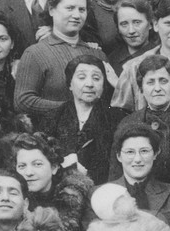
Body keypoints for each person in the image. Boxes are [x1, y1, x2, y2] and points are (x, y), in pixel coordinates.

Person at [12, 0, 108, 123]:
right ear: (51, 9)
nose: (76, 15)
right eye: (69, 8)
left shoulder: (97, 54)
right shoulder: (35, 53)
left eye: (82, 9)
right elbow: (23, 101)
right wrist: (70, 109)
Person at [46, 51, 122, 185]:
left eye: (96, 78)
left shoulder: (116, 119)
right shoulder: (53, 117)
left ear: (103, 85)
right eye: (81, 77)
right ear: (70, 84)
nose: (89, 84)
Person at [6, 130, 93, 231]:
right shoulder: (15, 199)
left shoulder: (74, 196)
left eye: (37, 164)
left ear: (54, 167)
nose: (28, 172)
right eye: (22, 166)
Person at [112, 123, 170, 226]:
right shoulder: (99, 194)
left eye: (144, 151)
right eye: (130, 152)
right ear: (119, 156)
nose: (137, 159)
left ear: (155, 154)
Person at [108, 0, 159, 74]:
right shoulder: (112, 59)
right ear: (118, 28)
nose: (131, 31)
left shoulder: (160, 54)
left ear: (150, 24)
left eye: (137, 22)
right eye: (124, 24)